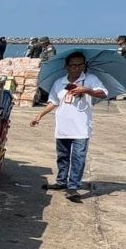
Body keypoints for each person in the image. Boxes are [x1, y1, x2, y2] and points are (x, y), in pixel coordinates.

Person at [29, 51, 107, 201]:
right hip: (63, 126)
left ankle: (73, 187)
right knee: (63, 156)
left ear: (84, 66)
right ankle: (61, 181)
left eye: (80, 65)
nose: (77, 68)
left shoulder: (90, 79)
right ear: (66, 67)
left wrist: (87, 90)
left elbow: (103, 93)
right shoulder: (59, 82)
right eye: (73, 65)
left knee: (78, 158)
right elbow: (53, 102)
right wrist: (40, 115)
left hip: (81, 128)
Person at [33, 37, 57, 106]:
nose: (41, 45)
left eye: (42, 43)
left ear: (46, 42)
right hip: (44, 68)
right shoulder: (45, 48)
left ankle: (45, 99)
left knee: (45, 83)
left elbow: (51, 59)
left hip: (47, 68)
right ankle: (42, 98)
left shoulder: (50, 49)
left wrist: (44, 64)